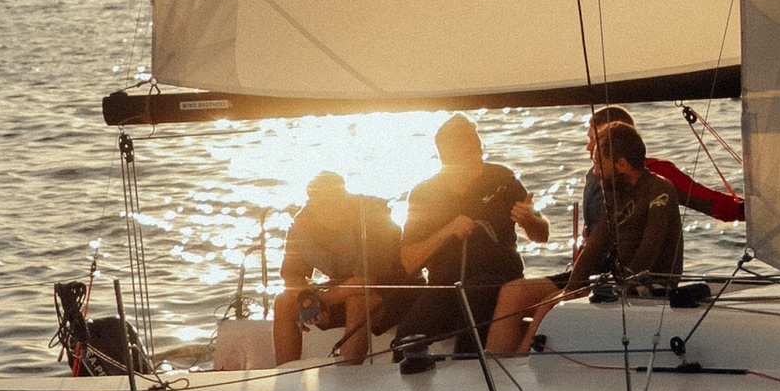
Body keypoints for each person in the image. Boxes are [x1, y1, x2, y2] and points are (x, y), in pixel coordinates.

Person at [398, 116, 558, 357]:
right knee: (407, 335)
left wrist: (530, 220)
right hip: (446, 285)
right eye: (469, 153)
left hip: (497, 279)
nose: (478, 158)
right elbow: (409, 262)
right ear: (447, 160)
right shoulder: (424, 194)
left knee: (474, 300)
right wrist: (447, 230)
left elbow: (541, 235)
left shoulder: (502, 179)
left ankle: (471, 373)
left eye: (479, 149)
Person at [275, 169, 404, 366]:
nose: (330, 208)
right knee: (284, 301)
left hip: (391, 293)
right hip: (338, 291)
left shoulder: (373, 219)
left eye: (335, 200)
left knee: (357, 302)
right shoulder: (301, 225)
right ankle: (285, 376)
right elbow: (291, 276)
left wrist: (319, 300)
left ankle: (348, 376)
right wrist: (304, 298)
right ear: (311, 203)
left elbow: (365, 282)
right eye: (321, 203)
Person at [577, 101, 743, 248]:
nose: (589, 147)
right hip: (596, 269)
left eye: (595, 139)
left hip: (640, 270)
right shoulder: (593, 176)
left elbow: (710, 202)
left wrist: (753, 211)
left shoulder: (658, 174)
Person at [569, 121, 690, 296]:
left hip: (655, 288)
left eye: (598, 163)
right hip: (621, 285)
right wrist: (571, 288)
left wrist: (623, 286)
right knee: (551, 304)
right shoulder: (616, 195)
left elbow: (649, 247)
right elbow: (596, 246)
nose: (595, 171)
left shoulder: (659, 189)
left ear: (623, 164)